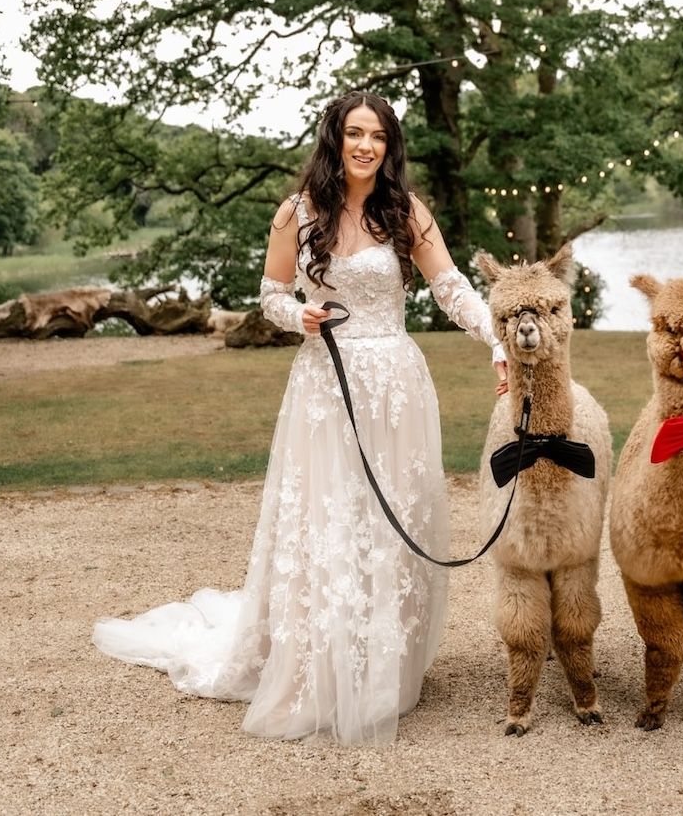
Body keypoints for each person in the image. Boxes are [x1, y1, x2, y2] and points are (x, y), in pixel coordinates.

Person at [92, 91, 506, 743]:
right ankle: (319, 666)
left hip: (395, 384)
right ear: (335, 138)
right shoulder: (298, 211)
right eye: (355, 133)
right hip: (325, 386)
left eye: (378, 135)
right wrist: (299, 315)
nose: (366, 145)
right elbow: (270, 295)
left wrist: (496, 338)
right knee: (328, 520)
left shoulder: (406, 211)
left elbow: (451, 288)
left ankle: (383, 665)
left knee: (393, 518)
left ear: (390, 146)